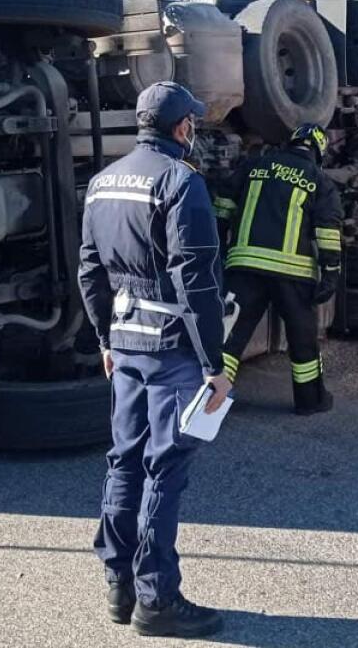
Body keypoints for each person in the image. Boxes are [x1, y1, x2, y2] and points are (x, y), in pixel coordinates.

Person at [78, 80, 229, 639]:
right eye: (192, 123)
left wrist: (103, 341)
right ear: (182, 128)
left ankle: (118, 587)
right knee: (163, 469)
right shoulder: (179, 181)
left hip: (125, 343)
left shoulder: (101, 183)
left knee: (123, 461)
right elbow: (198, 280)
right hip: (172, 349)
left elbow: (89, 272)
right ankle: (157, 600)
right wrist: (215, 364)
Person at [214, 123, 342, 413]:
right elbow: (327, 232)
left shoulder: (254, 166)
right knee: (303, 342)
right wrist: (331, 273)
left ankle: (208, 405)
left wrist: (219, 246)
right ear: (318, 151)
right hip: (293, 275)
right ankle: (311, 402)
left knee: (230, 338)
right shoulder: (319, 181)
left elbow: (222, 205)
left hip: (245, 268)